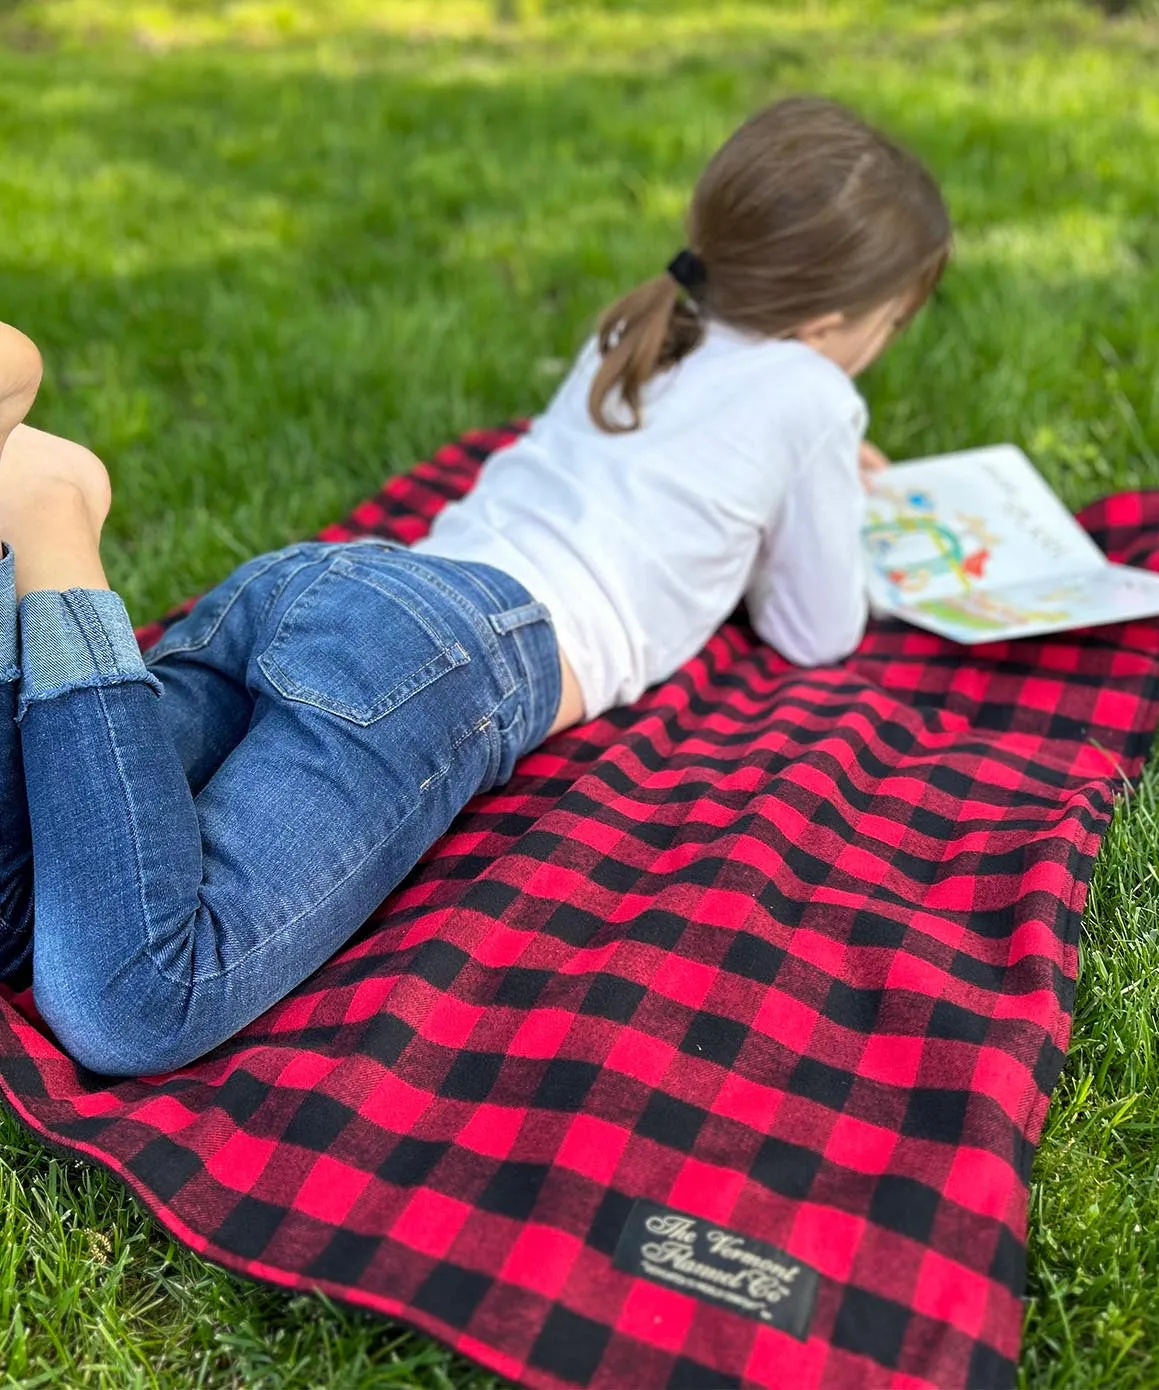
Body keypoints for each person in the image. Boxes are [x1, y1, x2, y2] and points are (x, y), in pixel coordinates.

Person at [0, 95, 951, 1076]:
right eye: (885, 326)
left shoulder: (642, 328)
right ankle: (48, 518)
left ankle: (18, 501)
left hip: (321, 583)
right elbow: (816, 626)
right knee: (142, 1002)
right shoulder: (816, 397)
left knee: (29, 897)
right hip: (443, 652)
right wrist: (833, 485)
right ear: (834, 323)